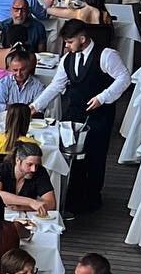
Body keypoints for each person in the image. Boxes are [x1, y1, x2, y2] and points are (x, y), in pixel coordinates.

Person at [31, 21, 132, 209]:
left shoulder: (106, 55)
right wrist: (35, 106)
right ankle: (72, 197)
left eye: (69, 42)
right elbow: (56, 85)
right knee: (71, 155)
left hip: (100, 114)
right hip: (74, 111)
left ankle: (92, 199)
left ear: (82, 39)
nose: (66, 46)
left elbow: (124, 78)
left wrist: (103, 97)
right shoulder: (67, 59)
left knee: (95, 156)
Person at [0, 141, 56, 214]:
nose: (33, 169)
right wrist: (31, 202)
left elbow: (51, 204)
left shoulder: (40, 171)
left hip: (27, 218)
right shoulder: (0, 169)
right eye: (29, 164)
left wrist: (23, 207)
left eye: (36, 165)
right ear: (17, 160)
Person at [0, 48, 41, 113]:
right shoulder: (3, 83)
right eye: (15, 70)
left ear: (28, 68)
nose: (19, 74)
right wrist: (25, 109)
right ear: (10, 69)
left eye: (22, 70)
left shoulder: (37, 86)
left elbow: (39, 109)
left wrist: (8, 107)